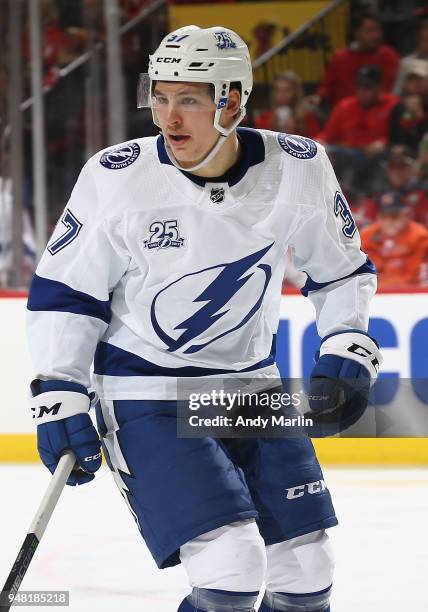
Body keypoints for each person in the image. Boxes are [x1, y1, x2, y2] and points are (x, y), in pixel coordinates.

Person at [27, 26, 382, 612]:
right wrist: (60, 391)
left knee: (307, 571)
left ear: (233, 101)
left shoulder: (299, 167)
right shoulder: (116, 175)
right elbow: (68, 292)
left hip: (250, 387)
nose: (169, 116)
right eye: (160, 96)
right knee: (232, 567)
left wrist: (347, 343)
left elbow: (342, 271)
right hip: (147, 392)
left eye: (189, 99)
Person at [317, 65, 398, 194]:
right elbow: (328, 135)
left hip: (375, 157)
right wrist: (318, 143)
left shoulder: (392, 105)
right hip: (346, 155)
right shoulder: (345, 106)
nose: (363, 91)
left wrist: (384, 142)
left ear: (379, 87)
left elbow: (399, 135)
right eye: (359, 86)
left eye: (368, 87)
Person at [316, 11, 399, 107]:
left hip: (378, 112)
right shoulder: (340, 58)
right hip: (342, 112)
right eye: (370, 31)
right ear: (356, 33)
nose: (376, 35)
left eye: (378, 30)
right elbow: (326, 88)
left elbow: (394, 90)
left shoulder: (388, 55)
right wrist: (319, 96)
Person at [361, 192, 428, 288]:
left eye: (394, 216)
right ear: (378, 217)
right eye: (384, 217)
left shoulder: (420, 236)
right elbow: (366, 273)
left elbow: (414, 276)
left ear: (407, 215)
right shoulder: (367, 236)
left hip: (410, 293)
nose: (389, 222)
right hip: (376, 292)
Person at [255, 71, 320, 138]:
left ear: (296, 92)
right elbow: (259, 139)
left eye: (287, 90)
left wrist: (299, 124)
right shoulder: (265, 116)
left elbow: (316, 141)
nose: (282, 94)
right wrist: (272, 125)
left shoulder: (306, 116)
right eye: (277, 90)